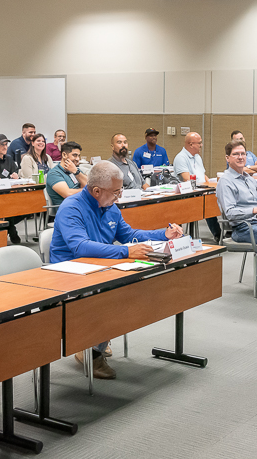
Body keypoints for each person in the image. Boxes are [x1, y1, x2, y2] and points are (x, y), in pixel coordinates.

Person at [51, 160, 184, 379]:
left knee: (134, 289)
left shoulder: (110, 206)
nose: (118, 197)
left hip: (101, 267)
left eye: (120, 191)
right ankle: (92, 351)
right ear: (96, 191)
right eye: (115, 192)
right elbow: (79, 246)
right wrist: (125, 252)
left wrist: (163, 234)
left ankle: (96, 339)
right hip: (69, 274)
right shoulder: (71, 207)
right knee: (115, 296)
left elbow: (129, 235)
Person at [217, 140, 257, 295]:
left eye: (243, 154)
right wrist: (256, 210)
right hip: (245, 227)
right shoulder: (225, 182)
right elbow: (230, 213)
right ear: (227, 158)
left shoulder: (250, 179)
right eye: (236, 154)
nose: (240, 157)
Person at [173, 132, 221, 240]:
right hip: (188, 194)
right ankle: (218, 234)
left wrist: (212, 186)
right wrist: (204, 189)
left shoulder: (197, 157)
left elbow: (202, 175)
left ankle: (223, 232)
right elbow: (187, 178)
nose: (201, 145)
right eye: (199, 143)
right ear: (190, 144)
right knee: (208, 203)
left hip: (202, 190)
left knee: (215, 197)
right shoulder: (180, 158)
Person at [46, 141, 86, 208]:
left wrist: (76, 172)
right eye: (74, 155)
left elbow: (89, 185)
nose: (78, 159)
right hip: (68, 210)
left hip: (81, 206)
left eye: (79, 156)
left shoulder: (76, 170)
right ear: (64, 155)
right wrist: (86, 190)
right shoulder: (54, 173)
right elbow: (68, 194)